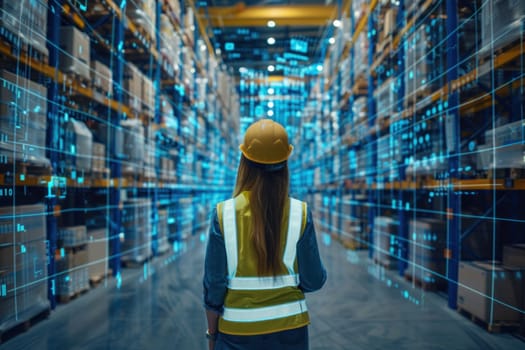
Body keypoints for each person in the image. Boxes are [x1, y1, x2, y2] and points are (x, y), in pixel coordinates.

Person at [203, 119, 327, 350]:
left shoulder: (223, 214)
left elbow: (214, 286)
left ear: (244, 163)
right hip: (291, 333)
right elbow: (314, 280)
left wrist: (212, 335)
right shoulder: (300, 213)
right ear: (285, 165)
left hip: (236, 335)